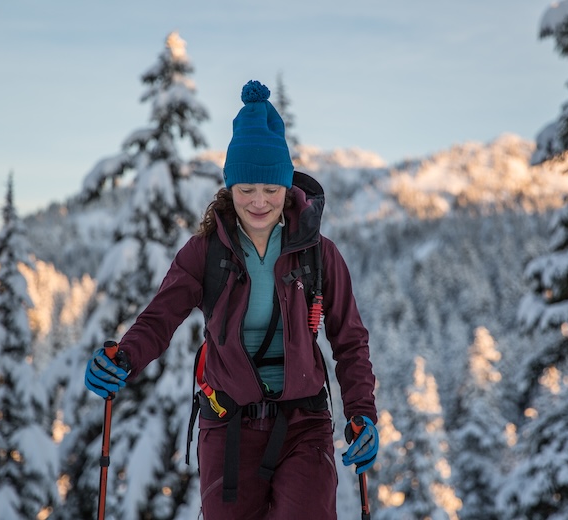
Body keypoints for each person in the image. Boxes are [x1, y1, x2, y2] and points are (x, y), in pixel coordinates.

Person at [85, 79, 378, 519]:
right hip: (228, 425)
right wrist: (123, 357)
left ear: (286, 186)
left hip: (305, 424)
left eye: (271, 189)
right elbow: (160, 317)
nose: (259, 202)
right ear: (228, 187)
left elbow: (349, 340)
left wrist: (362, 413)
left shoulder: (319, 252)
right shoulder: (206, 252)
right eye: (246, 190)